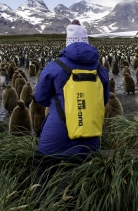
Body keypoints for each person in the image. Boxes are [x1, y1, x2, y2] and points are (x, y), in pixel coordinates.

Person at [31, 19, 110, 188]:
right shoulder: (101, 70)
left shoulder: (55, 66)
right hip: (89, 138)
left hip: (55, 138)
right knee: (83, 182)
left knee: (42, 176)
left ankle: (42, 204)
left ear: (68, 42)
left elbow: (41, 98)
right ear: (86, 41)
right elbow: (103, 100)